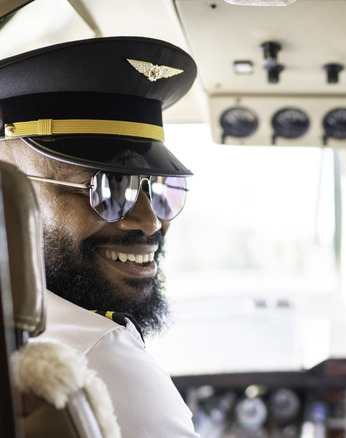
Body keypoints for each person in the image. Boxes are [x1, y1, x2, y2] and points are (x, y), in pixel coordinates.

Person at [0, 37, 199, 437]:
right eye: (107, 187)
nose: (150, 221)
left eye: (159, 187)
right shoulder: (97, 359)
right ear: (9, 196)